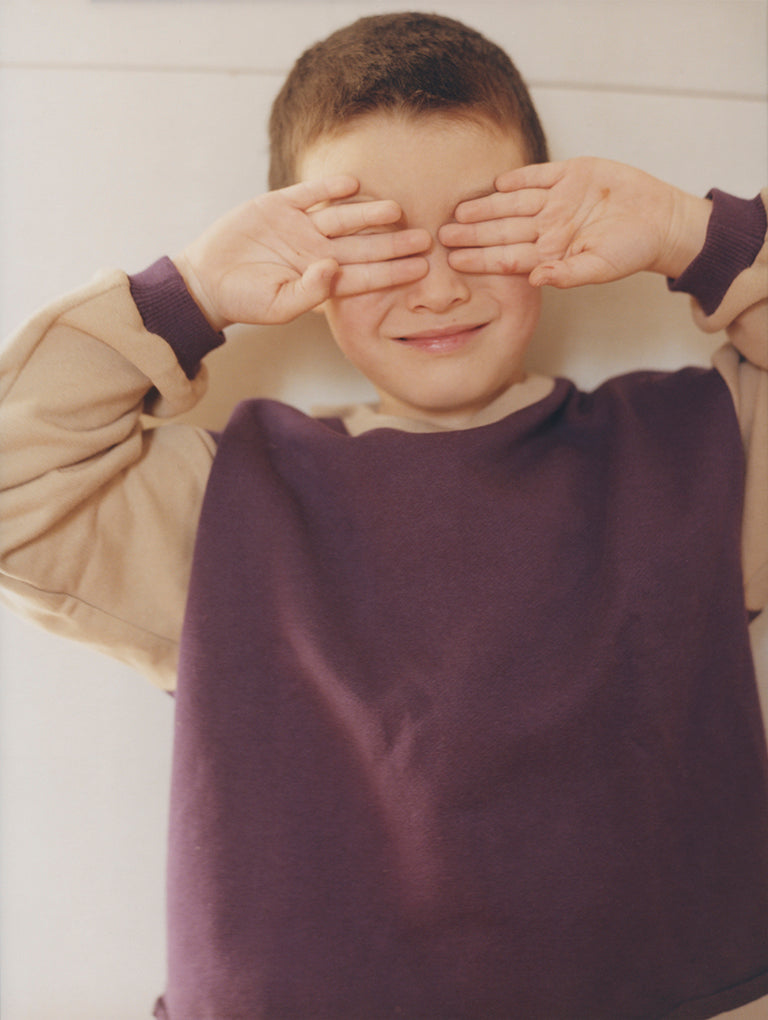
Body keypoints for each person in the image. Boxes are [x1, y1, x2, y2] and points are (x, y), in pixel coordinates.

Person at [1, 11, 766, 1019]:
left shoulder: (701, 455)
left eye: (479, 227)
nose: (438, 284)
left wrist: (695, 235)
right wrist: (186, 296)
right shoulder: (225, 506)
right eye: (376, 242)